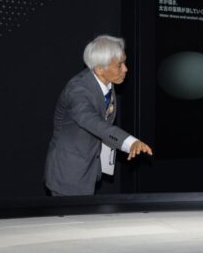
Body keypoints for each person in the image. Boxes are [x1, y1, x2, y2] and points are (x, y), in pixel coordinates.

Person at [44, 35, 153, 195]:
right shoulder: (77, 90)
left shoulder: (106, 82)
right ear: (100, 69)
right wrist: (129, 142)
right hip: (68, 174)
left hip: (89, 168)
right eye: (119, 65)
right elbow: (93, 122)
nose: (125, 69)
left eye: (124, 62)